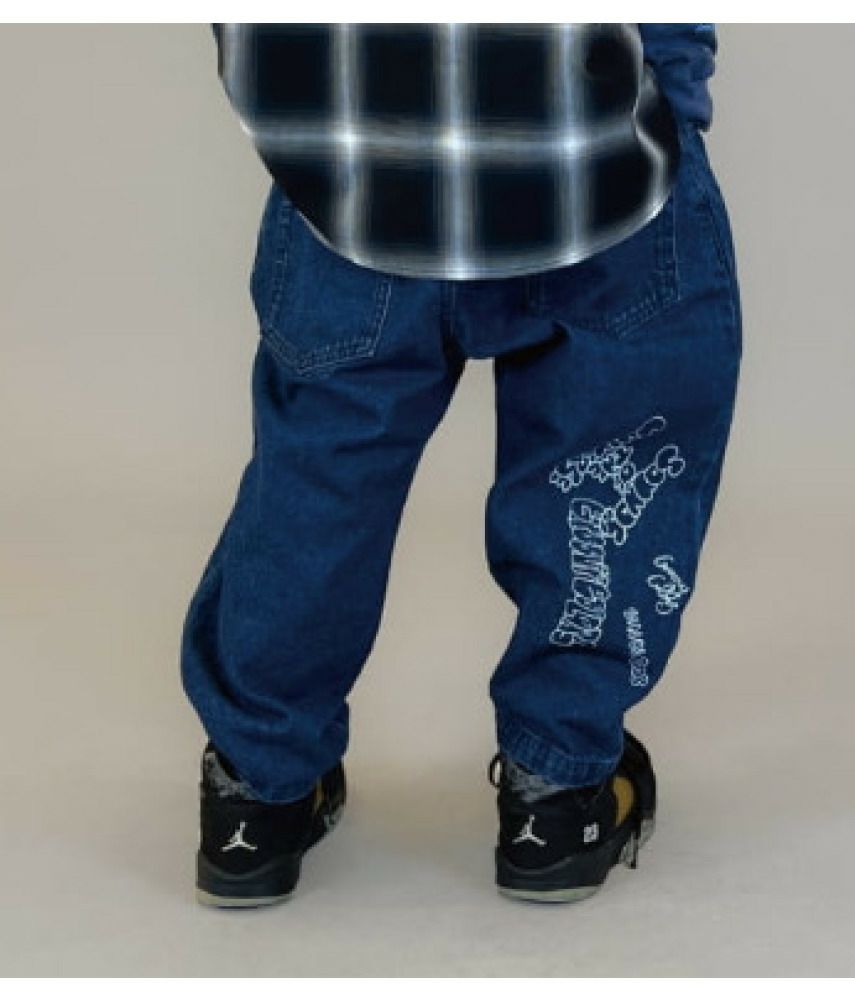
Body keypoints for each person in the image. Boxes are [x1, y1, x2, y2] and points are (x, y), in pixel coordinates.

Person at [182, 23, 741, 907]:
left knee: (319, 487)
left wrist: (290, 99)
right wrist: (674, 88)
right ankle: (555, 798)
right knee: (607, 476)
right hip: (590, 146)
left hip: (354, 164)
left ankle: (255, 796)